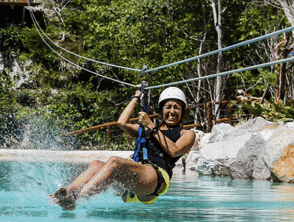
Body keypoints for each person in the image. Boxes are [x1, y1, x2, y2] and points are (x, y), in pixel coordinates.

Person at [50, 87, 196, 210]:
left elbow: (175, 150)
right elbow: (121, 122)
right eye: (168, 107)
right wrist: (137, 96)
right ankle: (67, 192)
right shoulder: (146, 130)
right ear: (161, 111)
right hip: (136, 172)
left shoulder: (186, 133)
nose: (172, 111)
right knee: (96, 164)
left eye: (176, 107)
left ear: (183, 113)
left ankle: (77, 198)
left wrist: (151, 125)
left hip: (155, 177)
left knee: (115, 162)